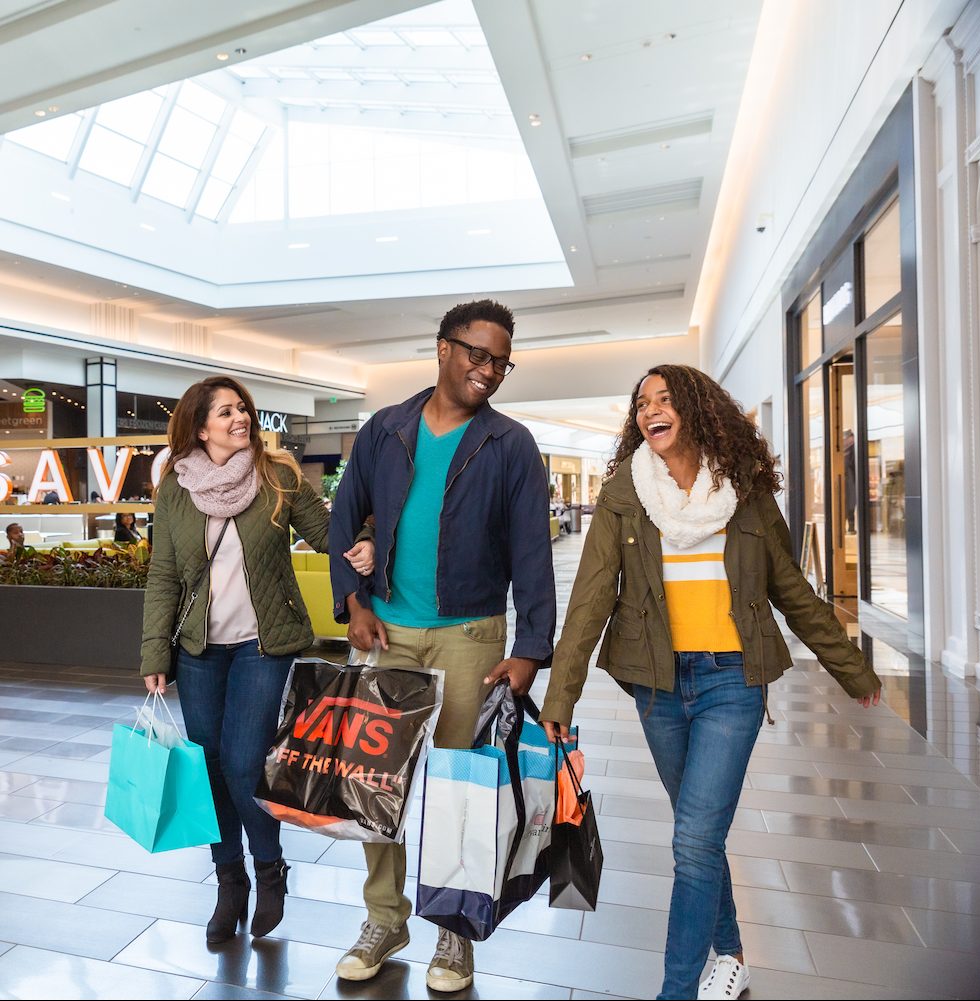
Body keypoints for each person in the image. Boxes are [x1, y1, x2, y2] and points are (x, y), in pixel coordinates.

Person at [539, 365, 882, 1001]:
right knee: (699, 834)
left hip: (732, 682)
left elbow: (792, 591)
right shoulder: (625, 491)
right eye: (642, 403)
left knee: (694, 839)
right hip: (658, 684)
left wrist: (853, 668)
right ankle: (730, 953)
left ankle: (677, 991)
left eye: (665, 400)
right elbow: (590, 600)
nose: (650, 411)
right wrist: (559, 697)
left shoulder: (745, 492)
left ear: (699, 409)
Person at [328, 299, 556, 993]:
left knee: (461, 790)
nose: (488, 370)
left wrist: (530, 646)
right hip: (387, 633)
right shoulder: (385, 428)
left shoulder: (508, 443)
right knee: (374, 783)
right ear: (441, 349)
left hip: (469, 636)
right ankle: (383, 917)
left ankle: (454, 931)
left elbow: (530, 551)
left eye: (499, 361)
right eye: (476, 355)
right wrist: (352, 603)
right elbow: (344, 513)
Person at [139, 375, 333, 945]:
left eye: (242, 409)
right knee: (207, 766)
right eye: (225, 412)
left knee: (245, 762)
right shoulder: (175, 488)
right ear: (200, 427)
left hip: (263, 645)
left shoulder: (277, 477)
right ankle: (230, 881)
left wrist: (370, 534)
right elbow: (164, 574)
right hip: (199, 651)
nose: (239, 419)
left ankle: (269, 866)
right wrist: (155, 651)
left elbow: (326, 534)